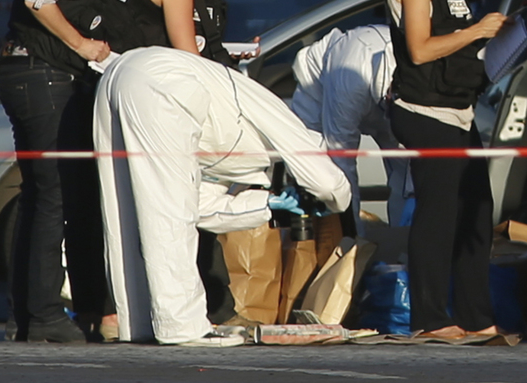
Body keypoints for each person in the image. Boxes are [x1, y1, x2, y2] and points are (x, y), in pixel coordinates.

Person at [93, 46, 351, 346]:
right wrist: (334, 204)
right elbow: (329, 183)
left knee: (125, 209)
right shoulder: (292, 128)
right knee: (168, 213)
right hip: (166, 81)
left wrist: (267, 206)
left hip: (120, 77)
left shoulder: (253, 161)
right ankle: (181, 327)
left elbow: (201, 208)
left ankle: (137, 324)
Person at [0, 0, 165, 343]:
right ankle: (46, 314)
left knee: (36, 197)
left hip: (18, 69)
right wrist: (82, 45)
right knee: (54, 198)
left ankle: (26, 316)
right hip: (42, 75)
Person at [386, 0, 506, 338]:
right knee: (438, 212)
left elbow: (453, 41)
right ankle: (430, 318)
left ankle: (476, 316)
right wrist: (478, 29)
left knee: (476, 209)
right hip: (424, 109)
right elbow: (419, 49)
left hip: (456, 108)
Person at [290, 25, 407, 232]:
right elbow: (342, 163)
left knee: (407, 171)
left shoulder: (414, 68)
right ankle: (342, 246)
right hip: (320, 88)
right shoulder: (349, 85)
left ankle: (405, 243)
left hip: (382, 96)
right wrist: (354, 238)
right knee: (324, 174)